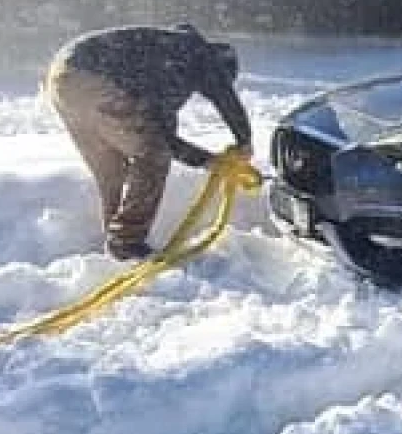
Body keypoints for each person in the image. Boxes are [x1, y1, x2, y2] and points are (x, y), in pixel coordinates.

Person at [44, 23, 254, 261]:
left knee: (112, 168)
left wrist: (208, 161)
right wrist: (244, 140)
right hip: (93, 76)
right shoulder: (197, 55)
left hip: (62, 78)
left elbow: (160, 134)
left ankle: (116, 242)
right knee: (153, 157)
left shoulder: (165, 57)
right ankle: (126, 241)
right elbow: (167, 140)